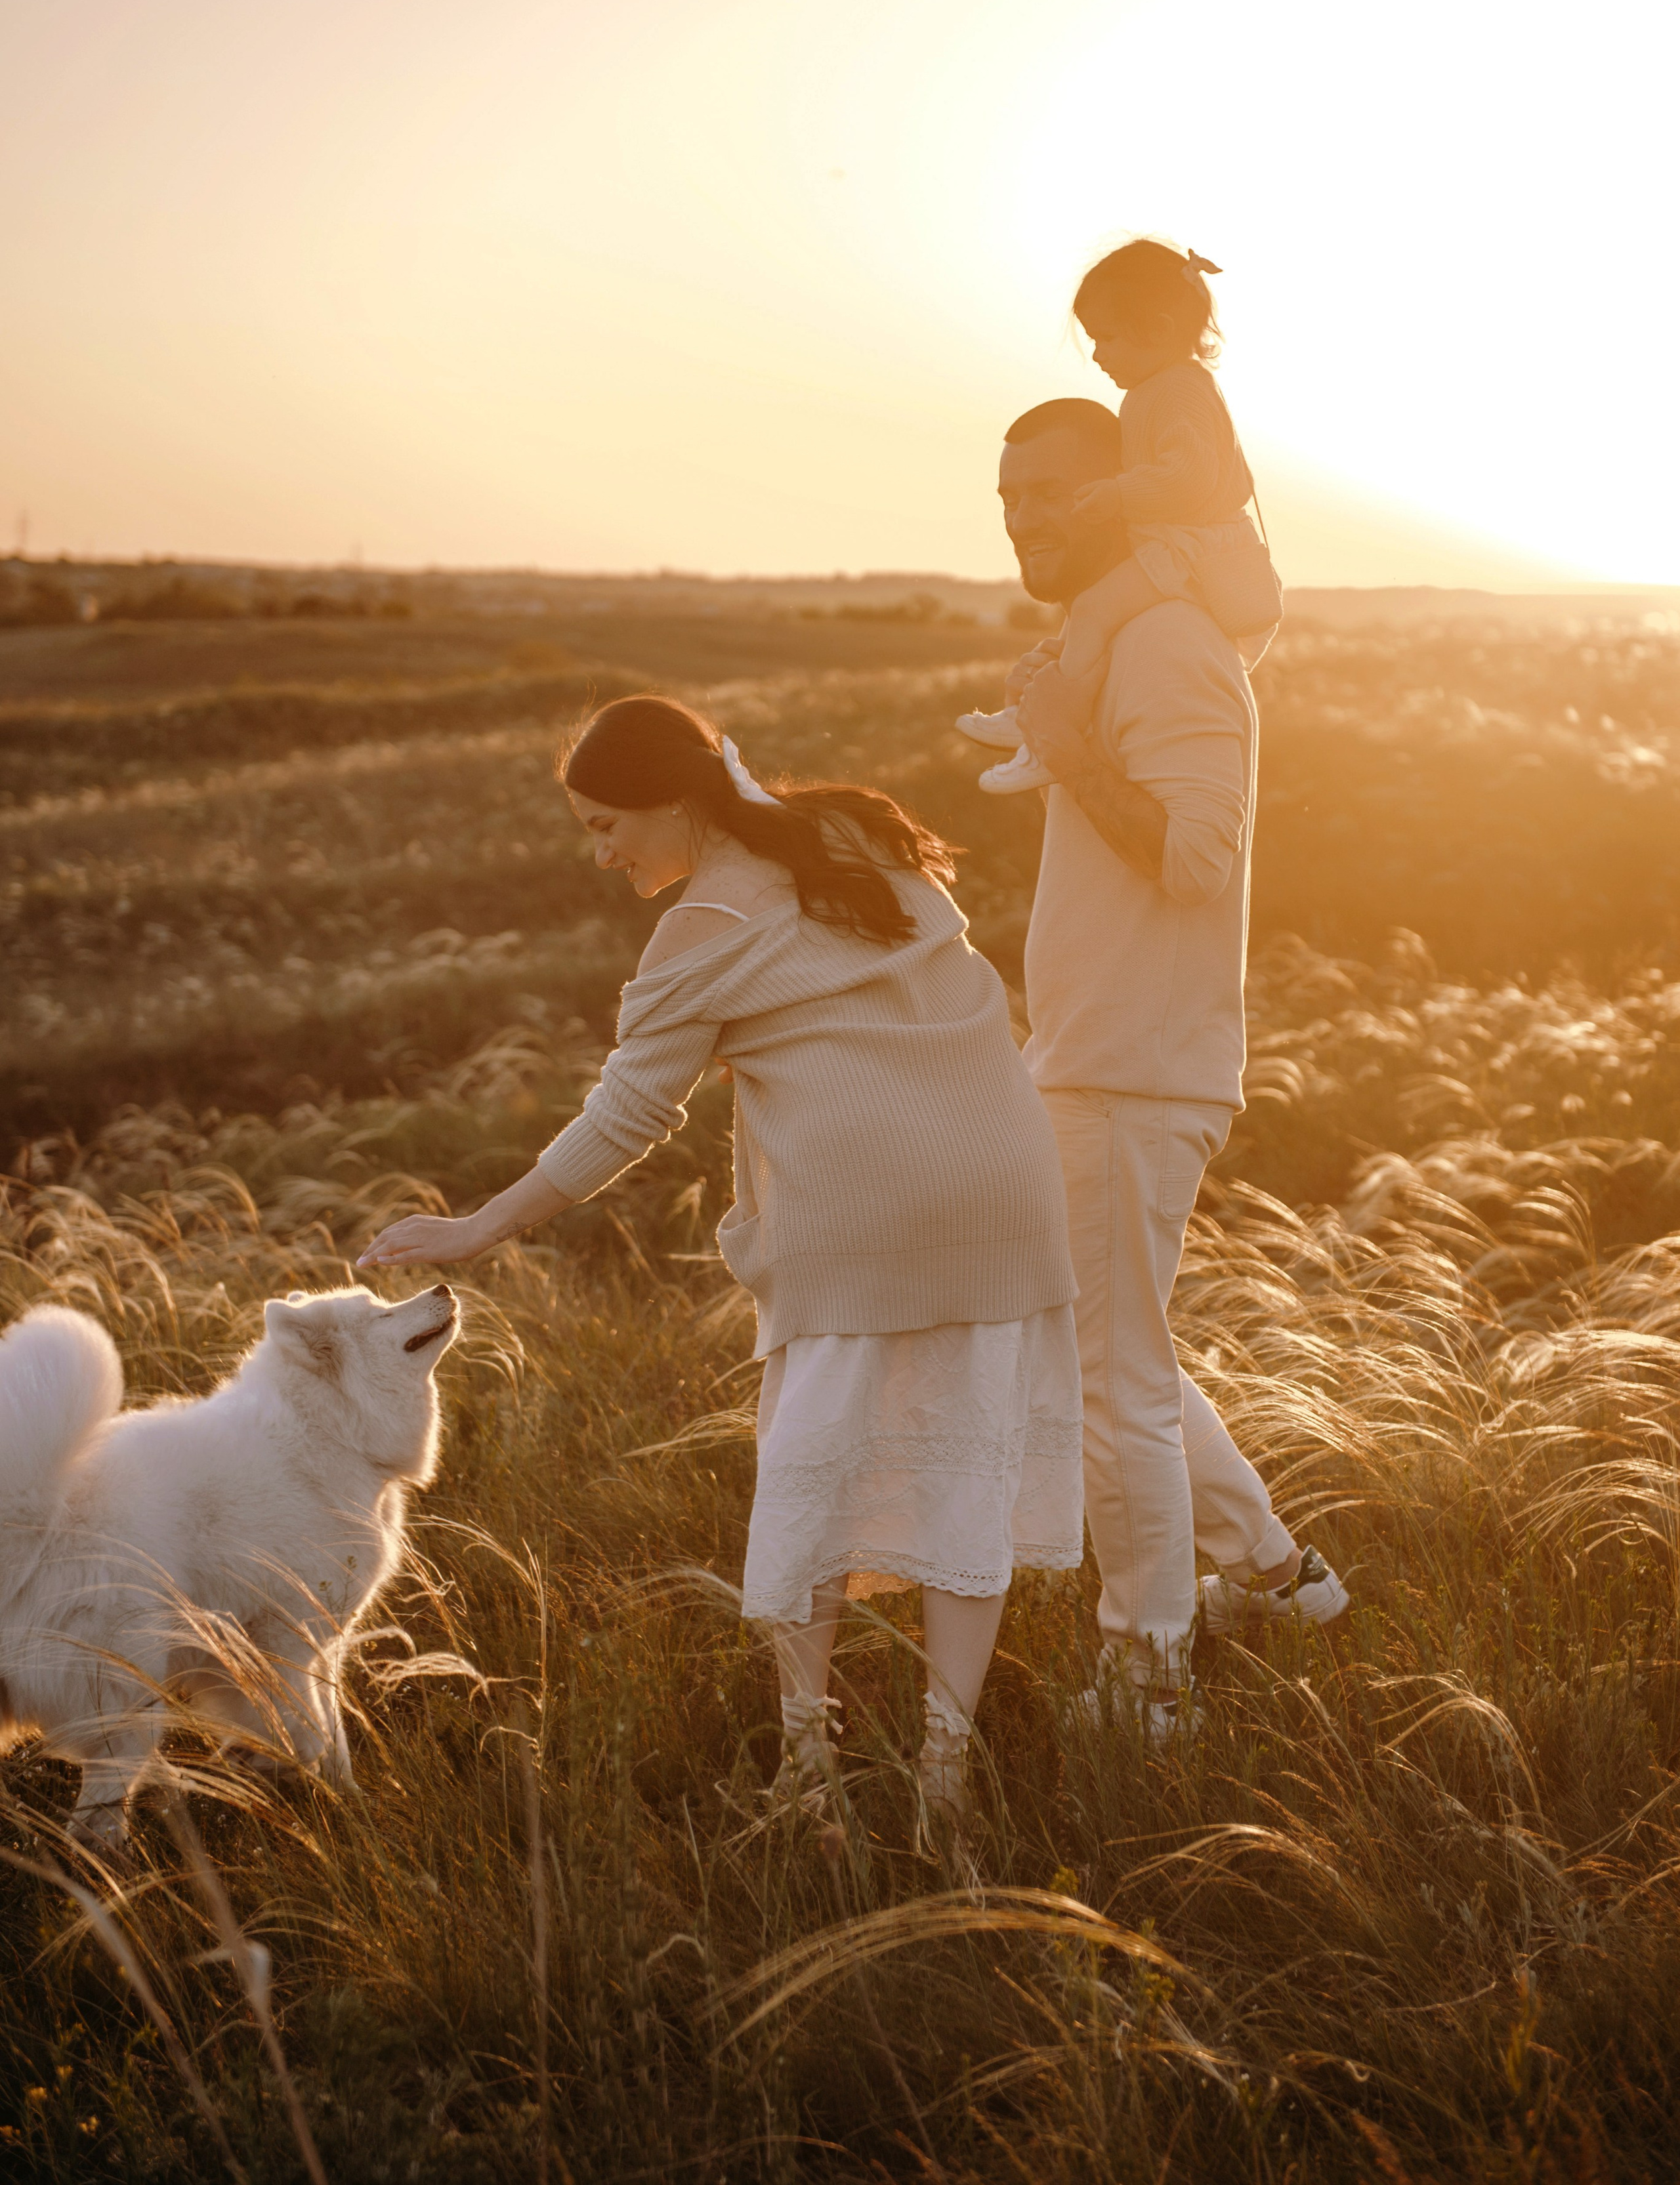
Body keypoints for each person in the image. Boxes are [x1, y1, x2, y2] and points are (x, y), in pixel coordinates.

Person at [360, 695, 1083, 1822]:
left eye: (608, 825)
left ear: (679, 799)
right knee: (966, 1469)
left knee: (815, 1478)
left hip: (866, 1218)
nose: (600, 855)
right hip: (1005, 1187)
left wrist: (476, 1230)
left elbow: (624, 1119)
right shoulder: (855, 839)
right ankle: (945, 1772)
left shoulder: (702, 925)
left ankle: (808, 1764)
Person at [988, 397, 1347, 1738]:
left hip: (1131, 1071)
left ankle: (1146, 1675)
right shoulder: (1111, 641)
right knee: (1111, 1345)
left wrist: (1071, 750)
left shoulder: (1172, 650)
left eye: (1052, 491)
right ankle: (1277, 1576)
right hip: (1091, 1056)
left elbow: (1197, 859)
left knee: (1108, 1376)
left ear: (1127, 495)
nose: (1025, 515)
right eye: (1008, 493)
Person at [958, 241, 1283, 793]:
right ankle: (1034, 708)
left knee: (1093, 613)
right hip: (1184, 543)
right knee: (1094, 615)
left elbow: (1190, 476)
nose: (1098, 355)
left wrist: (1117, 493)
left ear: (1157, 328)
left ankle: (1046, 735)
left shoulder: (1179, 391)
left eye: (1106, 337)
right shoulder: (1160, 389)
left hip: (1195, 547)